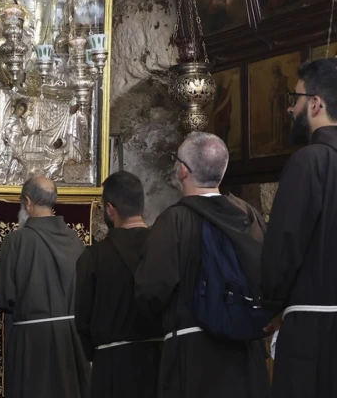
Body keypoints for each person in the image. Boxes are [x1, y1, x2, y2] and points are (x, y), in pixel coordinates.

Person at [135, 132, 269, 398]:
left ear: (183, 170)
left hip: (195, 357)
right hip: (247, 354)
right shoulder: (249, 215)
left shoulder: (175, 221)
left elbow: (151, 289)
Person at [261, 58, 337, 398]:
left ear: (316, 104)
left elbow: (283, 247)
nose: (291, 108)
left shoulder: (309, 161)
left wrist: (271, 306)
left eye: (296, 98)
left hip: (313, 332)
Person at [0, 175, 90, 398]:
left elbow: (3, 297)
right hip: (71, 342)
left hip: (32, 343)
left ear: (27, 202)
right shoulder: (74, 239)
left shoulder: (16, 241)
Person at [75, 171, 162, 398]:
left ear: (110, 209)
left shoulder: (93, 257)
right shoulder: (164, 247)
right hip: (160, 365)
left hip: (112, 369)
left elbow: (82, 319)